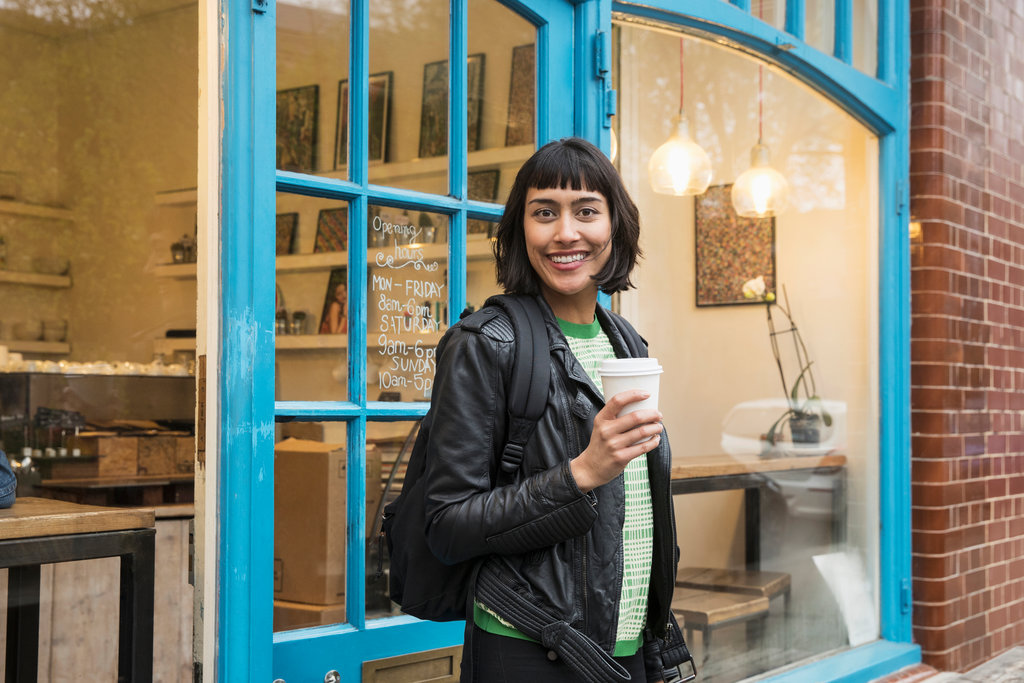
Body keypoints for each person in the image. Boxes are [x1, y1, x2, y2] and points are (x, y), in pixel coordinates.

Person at [422, 138, 687, 682]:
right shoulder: (483, 344)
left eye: (586, 211)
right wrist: (582, 473)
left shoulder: (626, 343)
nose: (566, 233)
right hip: (532, 650)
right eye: (545, 213)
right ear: (522, 229)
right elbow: (447, 524)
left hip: (627, 645)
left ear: (616, 226)